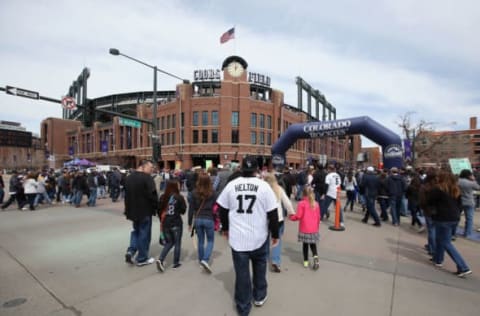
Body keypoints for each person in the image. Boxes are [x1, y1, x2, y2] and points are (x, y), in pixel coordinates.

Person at [216, 156, 279, 316]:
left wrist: (225, 228)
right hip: (259, 235)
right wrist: (275, 234)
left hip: (238, 238)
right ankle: (259, 296)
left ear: (242, 169)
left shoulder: (232, 185)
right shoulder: (264, 186)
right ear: (257, 170)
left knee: (242, 274)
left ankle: (243, 307)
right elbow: (272, 213)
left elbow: (222, 208)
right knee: (260, 268)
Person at [426, 170, 472, 277]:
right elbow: (460, 204)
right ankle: (438, 260)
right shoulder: (456, 189)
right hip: (454, 217)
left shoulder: (438, 189)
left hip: (443, 218)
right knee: (440, 239)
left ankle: (463, 267)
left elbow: (429, 201)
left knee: (445, 242)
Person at [124, 160, 158, 266]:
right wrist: (156, 208)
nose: (152, 170)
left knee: (136, 231)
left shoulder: (129, 178)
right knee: (144, 233)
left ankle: (131, 250)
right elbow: (153, 196)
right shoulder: (147, 178)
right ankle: (142, 258)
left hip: (132, 211)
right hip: (145, 210)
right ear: (143, 167)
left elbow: (126, 196)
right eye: (151, 167)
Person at [264, 172, 295, 273]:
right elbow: (287, 203)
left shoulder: (263, 190)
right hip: (278, 219)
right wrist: (292, 213)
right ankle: (275, 261)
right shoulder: (279, 189)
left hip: (265, 219)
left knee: (265, 240)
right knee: (277, 240)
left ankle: (264, 258)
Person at [188, 173, 217, 273]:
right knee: (210, 241)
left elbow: (191, 209)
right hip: (209, 218)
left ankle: (201, 260)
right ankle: (205, 259)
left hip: (198, 218)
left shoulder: (194, 192)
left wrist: (189, 222)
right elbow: (216, 207)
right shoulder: (212, 192)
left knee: (200, 241)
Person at [156, 179, 187, 271]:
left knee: (169, 242)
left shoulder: (163, 197)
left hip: (165, 222)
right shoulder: (179, 197)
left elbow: (159, 210)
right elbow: (183, 211)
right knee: (177, 242)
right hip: (176, 222)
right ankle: (175, 263)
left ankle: (160, 259)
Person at [289, 186, 321, 269]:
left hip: (304, 228)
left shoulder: (302, 203)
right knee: (313, 245)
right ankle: (316, 259)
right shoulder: (316, 203)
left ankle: (306, 262)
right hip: (314, 228)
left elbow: (298, 216)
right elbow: (318, 217)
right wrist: (317, 227)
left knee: (305, 245)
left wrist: (291, 217)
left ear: (303, 193)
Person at [457, 169, 480, 238]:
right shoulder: (471, 183)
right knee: (469, 219)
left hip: (459, 201)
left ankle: (453, 231)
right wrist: (473, 180)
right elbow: (478, 188)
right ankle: (467, 233)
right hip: (469, 201)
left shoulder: (457, 181)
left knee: (456, 217)